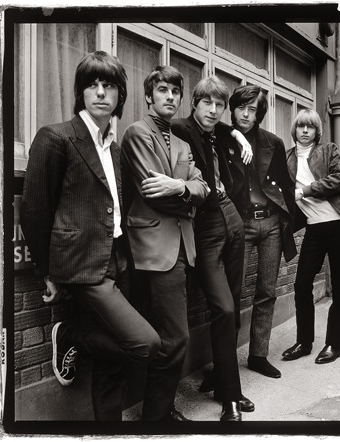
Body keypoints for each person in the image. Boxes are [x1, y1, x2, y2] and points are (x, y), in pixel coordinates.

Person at [20, 51, 161, 421]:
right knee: (145, 344)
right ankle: (70, 334)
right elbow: (35, 210)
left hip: (118, 259)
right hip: (81, 264)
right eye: (92, 85)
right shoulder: (56, 137)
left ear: (120, 95)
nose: (100, 92)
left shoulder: (114, 148)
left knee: (112, 365)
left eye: (109, 85)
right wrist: (47, 272)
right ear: (80, 92)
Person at [120, 66, 209, 422]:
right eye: (162, 90)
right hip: (152, 248)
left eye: (175, 91)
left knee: (166, 337)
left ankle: (160, 410)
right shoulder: (137, 133)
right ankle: (156, 418)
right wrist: (187, 195)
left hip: (182, 248)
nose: (170, 96)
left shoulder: (183, 144)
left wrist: (180, 186)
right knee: (174, 338)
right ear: (148, 96)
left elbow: (203, 187)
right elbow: (153, 192)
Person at [171, 75, 255, 422]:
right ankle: (230, 397)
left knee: (234, 306)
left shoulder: (218, 131)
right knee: (223, 308)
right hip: (204, 226)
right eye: (207, 102)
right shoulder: (181, 128)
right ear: (194, 102)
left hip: (232, 218)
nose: (214, 110)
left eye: (220, 104)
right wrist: (233, 133)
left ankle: (224, 384)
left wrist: (236, 133)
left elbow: (221, 128)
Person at [226, 85, 296, 379]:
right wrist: (233, 135)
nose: (245, 114)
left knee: (267, 291)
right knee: (230, 294)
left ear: (260, 113)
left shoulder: (273, 143)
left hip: (270, 223)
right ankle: (224, 363)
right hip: (239, 223)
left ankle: (258, 355)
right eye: (241, 107)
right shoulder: (222, 138)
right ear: (232, 108)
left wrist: (289, 220)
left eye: (252, 109)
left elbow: (285, 184)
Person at [282, 109, 340, 364]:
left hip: (338, 225)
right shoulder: (286, 158)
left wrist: (304, 191)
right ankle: (304, 342)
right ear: (294, 130)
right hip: (314, 228)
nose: (305, 131)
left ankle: (334, 343)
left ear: (317, 131)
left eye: (310, 127)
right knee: (301, 284)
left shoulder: (328, 150)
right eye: (301, 126)